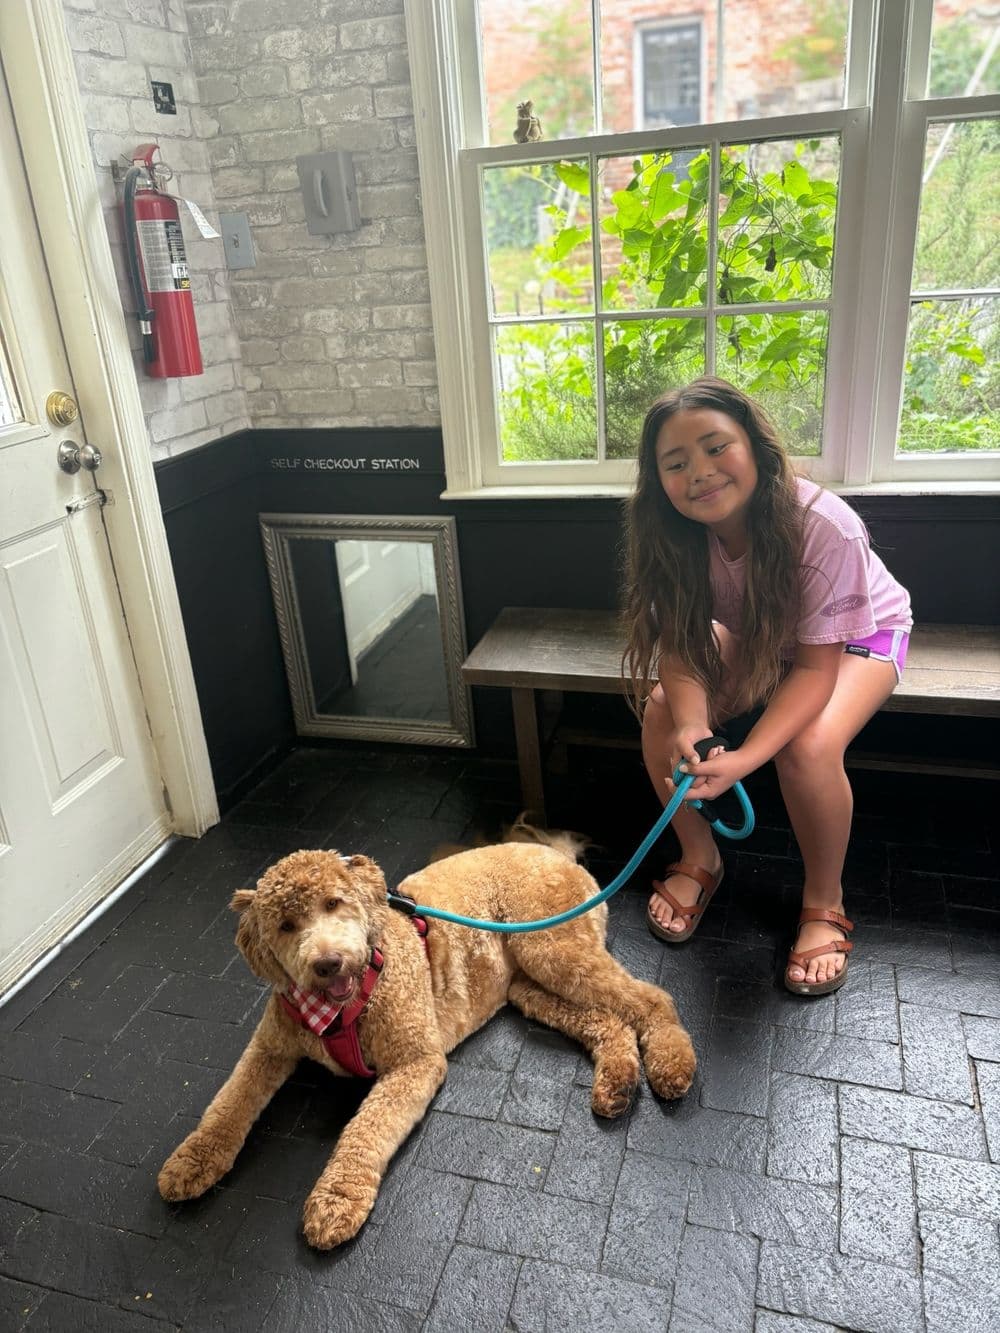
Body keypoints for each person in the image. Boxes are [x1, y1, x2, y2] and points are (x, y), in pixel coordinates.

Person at [622, 377, 913, 996]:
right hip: (763, 636)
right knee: (660, 710)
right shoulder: (672, 539)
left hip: (859, 638)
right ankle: (701, 857)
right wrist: (693, 725)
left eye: (715, 447)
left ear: (756, 446)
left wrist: (747, 758)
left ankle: (823, 900)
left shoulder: (824, 527)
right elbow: (679, 643)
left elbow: (814, 668)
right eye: (675, 464)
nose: (698, 472)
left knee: (807, 748)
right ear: (660, 482)